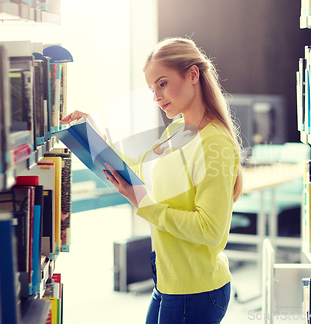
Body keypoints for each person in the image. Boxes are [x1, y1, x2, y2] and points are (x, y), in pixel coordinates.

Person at [61, 37, 243, 324]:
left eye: (162, 83)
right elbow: (139, 168)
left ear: (193, 74)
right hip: (167, 280)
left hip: (195, 290)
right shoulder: (179, 128)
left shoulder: (215, 144)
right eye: (151, 88)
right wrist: (95, 137)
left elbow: (210, 230)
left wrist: (143, 203)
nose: (156, 96)